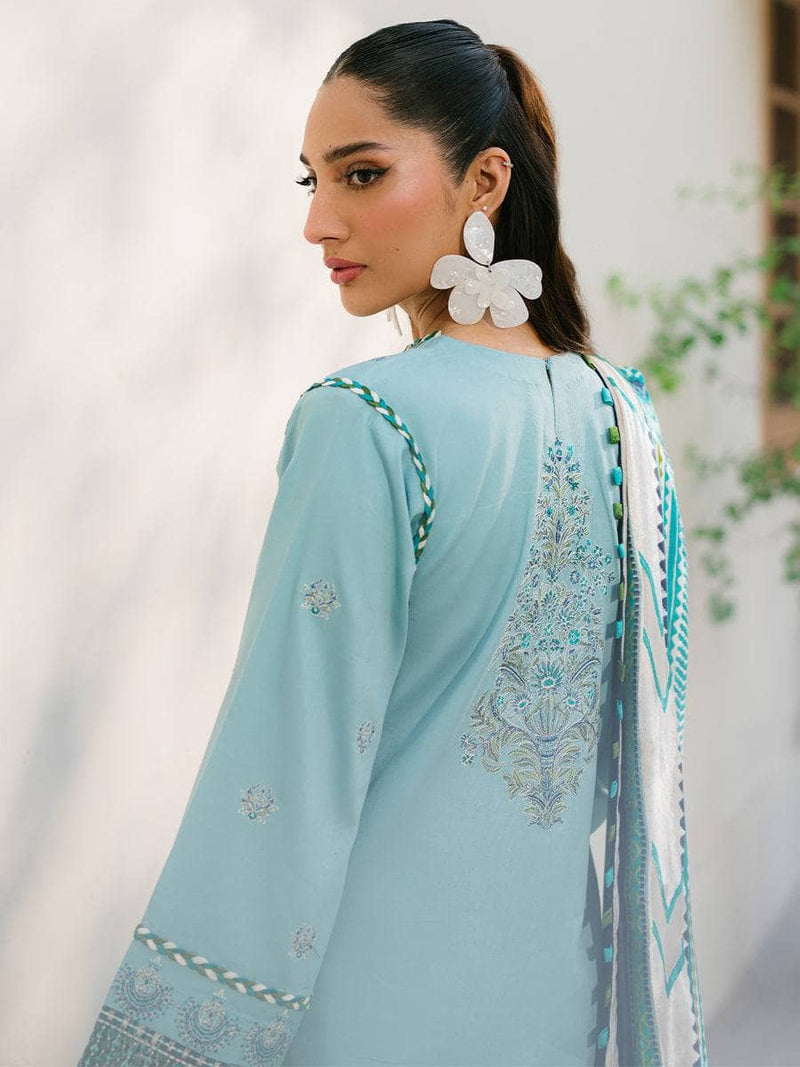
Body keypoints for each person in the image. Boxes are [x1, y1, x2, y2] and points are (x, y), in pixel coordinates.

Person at [77, 18, 709, 1067]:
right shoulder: (620, 415)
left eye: (361, 174)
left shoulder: (366, 421)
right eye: (311, 181)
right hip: (558, 1005)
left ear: (484, 181)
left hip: (364, 1010)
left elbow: (284, 767)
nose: (317, 222)